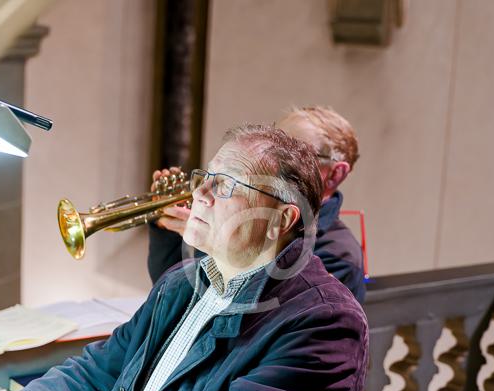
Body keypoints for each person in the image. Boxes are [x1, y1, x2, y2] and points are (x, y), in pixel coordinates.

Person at [0, 125, 368, 391]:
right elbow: (92, 378)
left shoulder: (326, 324)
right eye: (205, 177)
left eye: (227, 185)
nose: (199, 194)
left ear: (281, 221)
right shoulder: (181, 284)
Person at [148, 106, 366, 303]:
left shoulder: (338, 256)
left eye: (300, 150)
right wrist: (166, 229)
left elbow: (261, 316)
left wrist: (216, 239)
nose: (279, 156)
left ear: (336, 173)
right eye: (277, 141)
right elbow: (171, 291)